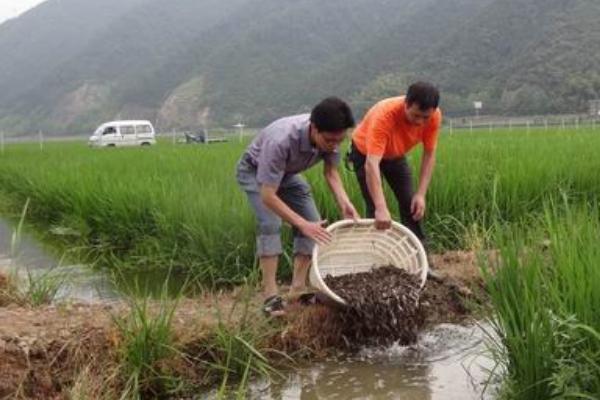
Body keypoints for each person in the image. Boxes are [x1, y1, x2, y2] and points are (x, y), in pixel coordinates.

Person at [236, 97, 359, 316]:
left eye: (339, 140)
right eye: (330, 140)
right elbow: (268, 195)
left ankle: (297, 289)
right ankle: (271, 296)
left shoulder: (333, 137)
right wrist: (301, 224)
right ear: (314, 128)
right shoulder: (281, 140)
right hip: (254, 172)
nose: (334, 146)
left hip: (287, 174)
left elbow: (331, 172)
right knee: (270, 222)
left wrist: (344, 203)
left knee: (315, 224)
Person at [348, 82, 442, 276]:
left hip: (396, 155)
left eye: (425, 117)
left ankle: (422, 263)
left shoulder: (434, 117)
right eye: (415, 115)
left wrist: (421, 194)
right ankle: (373, 266)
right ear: (406, 104)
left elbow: (429, 154)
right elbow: (371, 164)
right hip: (365, 154)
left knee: (411, 205)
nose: (420, 122)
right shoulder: (385, 115)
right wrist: (382, 207)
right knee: (375, 209)